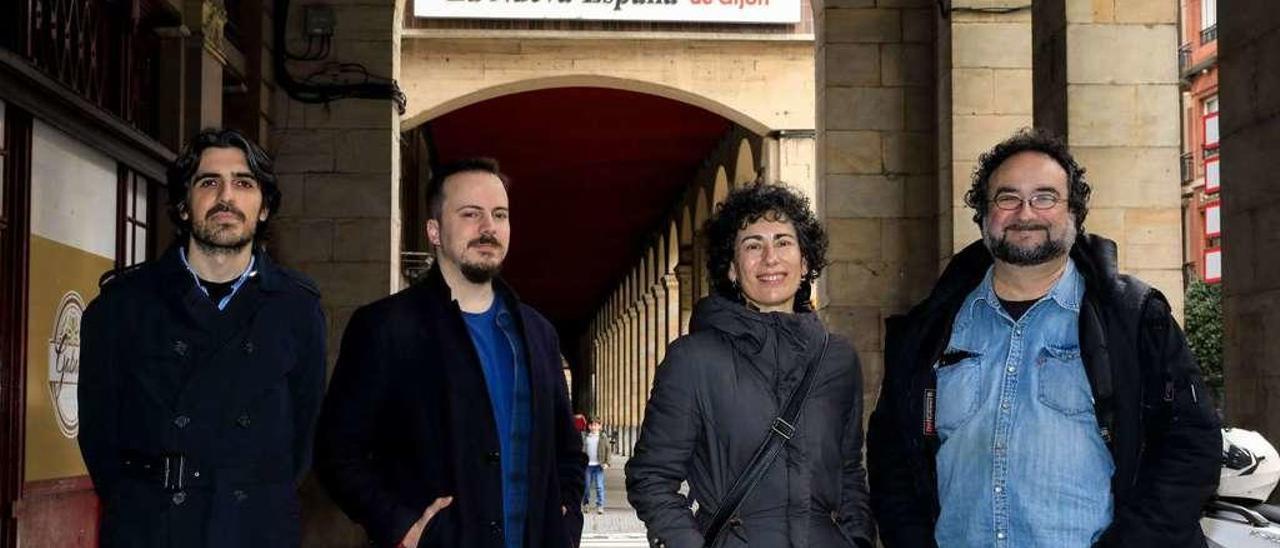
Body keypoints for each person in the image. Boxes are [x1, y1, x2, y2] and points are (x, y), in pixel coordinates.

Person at [867, 129, 1222, 547]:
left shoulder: (1134, 317)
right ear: (983, 213)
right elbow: (892, 456)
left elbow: (1191, 447)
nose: (1025, 212)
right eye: (1007, 197)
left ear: (1074, 212)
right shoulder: (929, 330)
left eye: (1045, 197)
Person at [314, 158, 585, 548]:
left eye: (499, 215)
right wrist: (401, 526)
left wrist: (566, 515)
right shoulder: (385, 328)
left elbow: (567, 453)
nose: (489, 228)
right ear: (434, 231)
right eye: (471, 214)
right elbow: (336, 453)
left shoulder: (539, 333)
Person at [78, 128, 327, 547]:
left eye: (244, 183)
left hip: (254, 530)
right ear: (183, 204)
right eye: (209, 182)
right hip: (152, 529)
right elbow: (100, 437)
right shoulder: (122, 307)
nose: (226, 197)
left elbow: (303, 439)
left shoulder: (297, 310)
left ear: (264, 207)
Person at [626, 182, 875, 548]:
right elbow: (650, 477)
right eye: (753, 245)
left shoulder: (838, 360)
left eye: (783, 242)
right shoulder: (692, 360)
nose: (770, 258)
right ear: (731, 268)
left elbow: (850, 473)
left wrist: (858, 539)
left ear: (806, 263)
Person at [581, 418, 612, 515]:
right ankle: (586, 503)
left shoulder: (603, 437)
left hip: (599, 465)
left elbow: (608, 450)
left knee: (599, 486)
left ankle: (600, 505)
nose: (594, 427)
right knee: (586, 486)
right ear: (589, 426)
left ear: (600, 426)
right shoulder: (585, 437)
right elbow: (581, 450)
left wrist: (607, 463)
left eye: (596, 425)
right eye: (592, 425)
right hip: (587, 466)